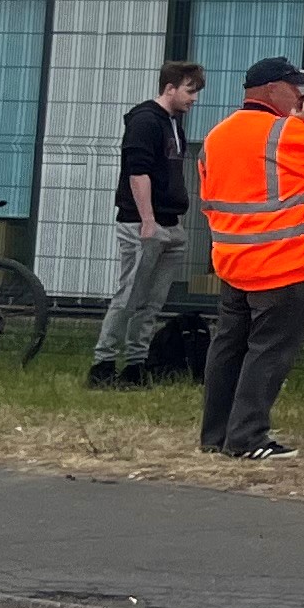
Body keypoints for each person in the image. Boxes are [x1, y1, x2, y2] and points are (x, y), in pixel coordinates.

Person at [196, 56, 304, 460]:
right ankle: (248, 438)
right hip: (285, 264)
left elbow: (210, 199)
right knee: (269, 352)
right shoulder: (284, 132)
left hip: (233, 262)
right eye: (294, 87)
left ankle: (215, 435)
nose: (299, 96)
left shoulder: (216, 136)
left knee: (228, 349)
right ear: (271, 89)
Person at [89, 59, 201, 390]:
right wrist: (147, 219)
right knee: (130, 296)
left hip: (170, 222)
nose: (194, 99)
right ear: (170, 88)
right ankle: (103, 364)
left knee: (152, 301)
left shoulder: (173, 123)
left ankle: (135, 365)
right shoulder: (145, 121)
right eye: (190, 91)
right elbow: (137, 172)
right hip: (143, 223)